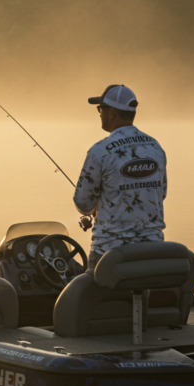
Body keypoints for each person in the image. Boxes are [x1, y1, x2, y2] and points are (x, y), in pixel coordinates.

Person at [74, 84, 167, 270]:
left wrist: (95, 207)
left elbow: (83, 203)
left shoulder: (99, 151)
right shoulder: (156, 148)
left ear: (111, 113)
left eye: (100, 108)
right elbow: (161, 193)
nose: (99, 113)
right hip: (153, 252)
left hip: (108, 254)